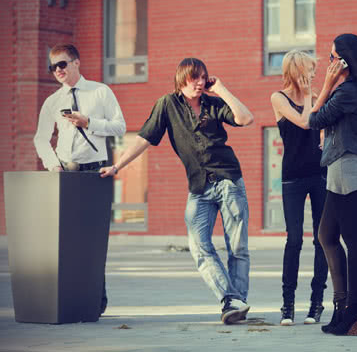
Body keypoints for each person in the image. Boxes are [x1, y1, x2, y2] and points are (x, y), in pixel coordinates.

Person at [100, 58, 254, 325]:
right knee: (198, 246)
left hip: (229, 180)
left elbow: (245, 118)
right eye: (194, 77)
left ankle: (235, 304)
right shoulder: (167, 105)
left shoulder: (215, 104)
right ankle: (231, 299)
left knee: (238, 248)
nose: (199, 82)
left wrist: (222, 90)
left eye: (203, 77)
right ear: (181, 79)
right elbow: (144, 138)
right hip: (199, 187)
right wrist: (117, 166)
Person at [33, 43, 126, 315]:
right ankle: (70, 299)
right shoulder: (53, 101)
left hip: (95, 172)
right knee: (66, 240)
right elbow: (40, 138)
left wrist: (90, 123)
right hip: (66, 173)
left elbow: (120, 126)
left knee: (94, 241)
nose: (58, 71)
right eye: (53, 67)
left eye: (62, 64)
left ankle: (96, 302)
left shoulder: (100, 91)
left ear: (76, 62)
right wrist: (53, 165)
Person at [308, 34, 357, 336]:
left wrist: (326, 86)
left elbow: (312, 120)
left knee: (353, 239)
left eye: (331, 58)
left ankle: (354, 309)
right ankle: (343, 306)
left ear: (344, 61)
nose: (328, 64)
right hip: (346, 166)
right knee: (327, 234)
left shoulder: (348, 91)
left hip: (346, 168)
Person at [270, 50, 328, 326]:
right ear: (296, 70)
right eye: (310, 69)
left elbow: (320, 130)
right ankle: (287, 306)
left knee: (322, 239)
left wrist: (324, 139)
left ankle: (316, 304)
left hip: (319, 175)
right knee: (294, 239)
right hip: (292, 176)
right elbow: (305, 122)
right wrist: (308, 99)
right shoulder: (278, 98)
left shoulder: (315, 99)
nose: (313, 74)